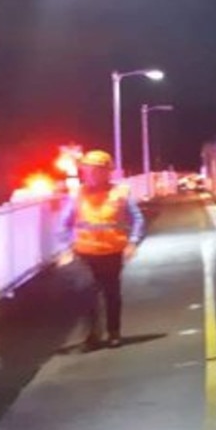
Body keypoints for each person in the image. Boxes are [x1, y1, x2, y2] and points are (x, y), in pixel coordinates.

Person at [60, 150, 145, 351]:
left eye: (96, 170)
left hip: (112, 252)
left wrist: (133, 242)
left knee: (111, 294)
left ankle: (114, 333)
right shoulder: (78, 194)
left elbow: (138, 219)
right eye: (88, 170)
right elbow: (63, 223)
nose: (91, 174)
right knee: (86, 291)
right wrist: (67, 247)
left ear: (107, 172)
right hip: (84, 253)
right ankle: (92, 335)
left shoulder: (121, 193)